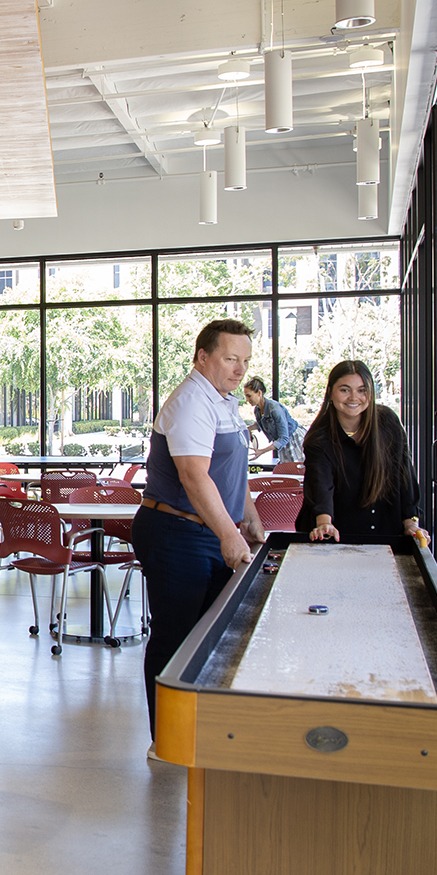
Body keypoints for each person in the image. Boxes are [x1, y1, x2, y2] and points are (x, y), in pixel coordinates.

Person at [132, 318, 267, 745]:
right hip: (177, 532)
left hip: (206, 531)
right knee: (176, 638)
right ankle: (168, 740)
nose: (239, 369)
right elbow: (194, 476)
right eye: (230, 358)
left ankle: (198, 730)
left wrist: (249, 517)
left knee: (209, 637)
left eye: (245, 361)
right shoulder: (192, 401)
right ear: (203, 356)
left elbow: (232, 471)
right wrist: (229, 534)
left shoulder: (224, 401)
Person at [296, 360, 429, 546]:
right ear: (330, 393)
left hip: (386, 533)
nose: (353, 397)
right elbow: (320, 484)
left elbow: (404, 474)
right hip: (337, 536)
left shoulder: (387, 422)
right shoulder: (319, 437)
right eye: (344, 390)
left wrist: (410, 522)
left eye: (362, 390)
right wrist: (324, 523)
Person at [242, 376, 303, 464]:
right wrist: (249, 428)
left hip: (293, 440)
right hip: (283, 442)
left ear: (259, 393)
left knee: (297, 471)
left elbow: (284, 437)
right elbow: (261, 424)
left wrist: (262, 451)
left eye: (249, 396)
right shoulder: (257, 410)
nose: (247, 400)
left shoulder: (275, 409)